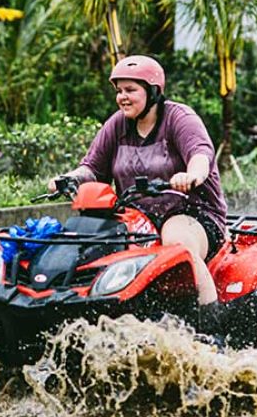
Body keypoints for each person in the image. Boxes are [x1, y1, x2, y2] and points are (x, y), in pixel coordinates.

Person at [48, 55, 229, 329]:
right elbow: (92, 168)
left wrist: (192, 175)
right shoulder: (117, 125)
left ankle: (209, 324)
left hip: (192, 214)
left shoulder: (180, 119)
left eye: (131, 90)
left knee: (177, 244)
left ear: (153, 91)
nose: (122, 97)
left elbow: (201, 155)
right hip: (136, 219)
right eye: (119, 91)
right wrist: (69, 178)